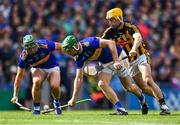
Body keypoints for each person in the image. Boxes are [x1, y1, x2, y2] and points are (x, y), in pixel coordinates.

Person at [102, 8, 170, 115]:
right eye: (109, 20)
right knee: (142, 87)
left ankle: (163, 106)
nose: (110, 22)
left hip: (140, 56)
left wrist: (133, 49)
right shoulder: (109, 32)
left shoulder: (130, 27)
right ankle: (159, 96)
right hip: (128, 62)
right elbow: (101, 44)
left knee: (147, 79)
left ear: (119, 18)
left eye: (112, 19)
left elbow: (138, 37)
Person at [62, 35, 148, 115]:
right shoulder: (78, 58)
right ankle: (120, 109)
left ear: (75, 46)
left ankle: (142, 99)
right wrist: (74, 98)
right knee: (102, 84)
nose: (69, 53)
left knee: (128, 87)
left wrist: (116, 61)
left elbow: (111, 43)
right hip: (105, 63)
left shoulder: (90, 42)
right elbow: (79, 78)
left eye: (70, 50)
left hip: (118, 56)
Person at [11, 34, 63, 115]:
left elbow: (62, 46)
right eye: (29, 49)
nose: (32, 50)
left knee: (55, 86)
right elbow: (19, 76)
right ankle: (37, 108)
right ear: (25, 48)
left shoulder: (44, 44)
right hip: (38, 68)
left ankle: (56, 102)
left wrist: (74, 55)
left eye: (33, 47)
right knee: (36, 82)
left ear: (35, 44)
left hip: (52, 66)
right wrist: (15, 95)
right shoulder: (23, 57)